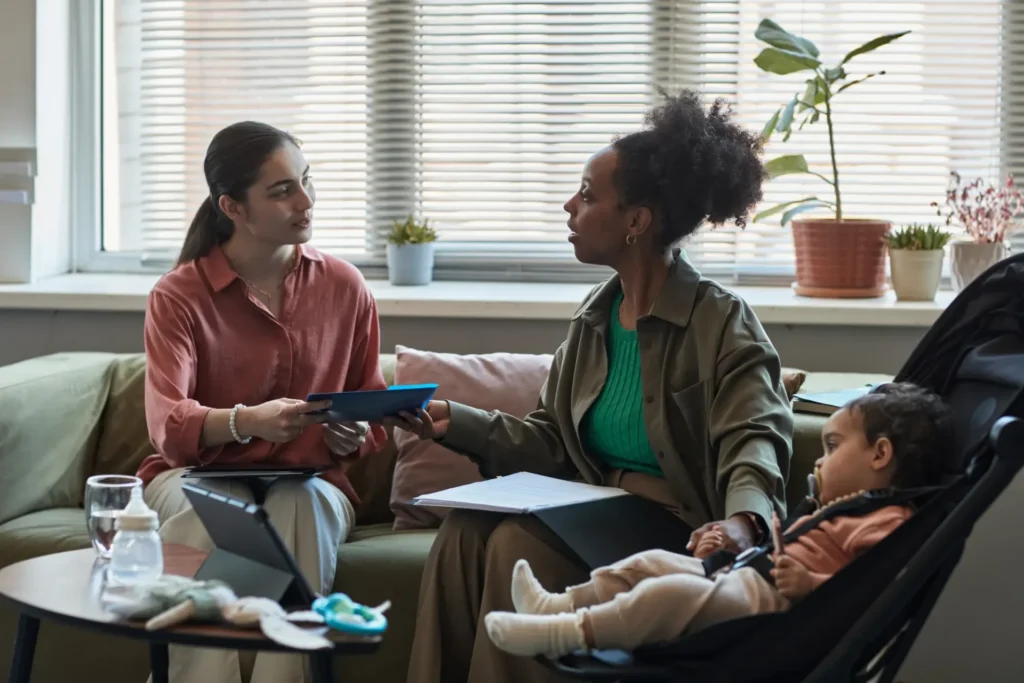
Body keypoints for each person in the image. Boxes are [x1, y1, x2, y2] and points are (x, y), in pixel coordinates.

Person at [389, 89, 794, 683]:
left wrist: (743, 523)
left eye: (586, 194)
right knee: (463, 533)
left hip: (677, 528)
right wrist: (458, 421)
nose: (569, 205)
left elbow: (754, 438)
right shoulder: (594, 319)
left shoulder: (721, 322)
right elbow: (553, 442)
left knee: (516, 544)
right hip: (595, 512)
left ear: (636, 221)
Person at [138, 121, 388, 683]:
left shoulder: (345, 286)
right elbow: (168, 424)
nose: (306, 201)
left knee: (298, 505)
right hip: (194, 474)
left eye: (306, 181)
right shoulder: (178, 296)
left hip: (310, 480)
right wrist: (249, 422)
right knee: (214, 511)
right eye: (282, 191)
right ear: (233, 207)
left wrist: (352, 433)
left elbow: (370, 409)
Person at [483, 383, 954, 658]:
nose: (820, 460)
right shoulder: (840, 510)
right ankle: (556, 605)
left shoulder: (888, 520)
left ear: (880, 454)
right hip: (745, 576)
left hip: (773, 608)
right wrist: (728, 552)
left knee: (668, 595)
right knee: (649, 564)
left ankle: (566, 634)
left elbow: (877, 591)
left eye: (832, 447)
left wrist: (810, 585)